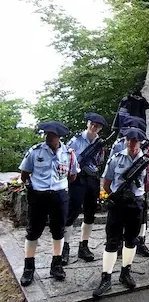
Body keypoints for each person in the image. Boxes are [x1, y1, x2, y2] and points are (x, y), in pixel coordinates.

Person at [93, 128, 149, 298]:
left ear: (140, 142)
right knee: (112, 241)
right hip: (118, 204)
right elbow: (106, 183)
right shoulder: (116, 159)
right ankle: (106, 278)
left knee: (131, 240)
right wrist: (116, 196)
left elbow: (147, 186)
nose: (131, 143)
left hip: (136, 204)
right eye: (128, 140)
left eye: (135, 141)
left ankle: (125, 272)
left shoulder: (147, 161)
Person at [18, 121, 79, 286]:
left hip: (59, 197)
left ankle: (56, 264)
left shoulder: (68, 153)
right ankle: (29, 268)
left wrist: (60, 187)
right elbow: (24, 174)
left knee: (58, 230)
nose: (48, 137)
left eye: (51, 135)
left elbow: (72, 175)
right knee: (33, 231)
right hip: (39, 197)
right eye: (46, 134)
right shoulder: (35, 151)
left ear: (58, 137)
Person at [63, 113, 108, 265]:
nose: (94, 128)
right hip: (78, 180)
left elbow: (100, 162)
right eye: (92, 124)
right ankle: (65, 247)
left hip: (92, 179)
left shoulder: (100, 143)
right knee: (72, 212)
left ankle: (84, 246)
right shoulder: (76, 140)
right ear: (88, 124)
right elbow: (66, 158)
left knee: (90, 213)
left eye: (98, 126)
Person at [109, 115, 149, 257]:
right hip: (121, 186)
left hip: (139, 186)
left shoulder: (148, 145)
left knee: (142, 215)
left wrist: (147, 184)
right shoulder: (119, 144)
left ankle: (140, 241)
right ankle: (120, 242)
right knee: (120, 217)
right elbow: (112, 164)